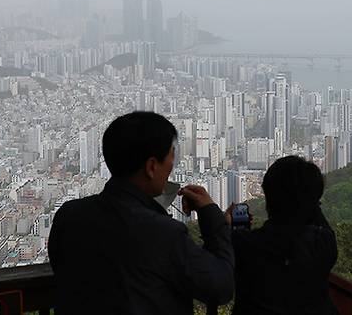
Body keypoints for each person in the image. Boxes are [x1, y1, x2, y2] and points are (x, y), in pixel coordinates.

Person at [48, 112, 234, 314]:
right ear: (152, 167)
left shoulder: (68, 216)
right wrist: (212, 216)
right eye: (171, 157)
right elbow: (220, 287)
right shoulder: (163, 234)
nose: (172, 167)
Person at [228, 156, 338, 315]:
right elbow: (315, 214)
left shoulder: (242, 245)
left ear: (268, 197)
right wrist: (309, 197)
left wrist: (226, 226)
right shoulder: (323, 244)